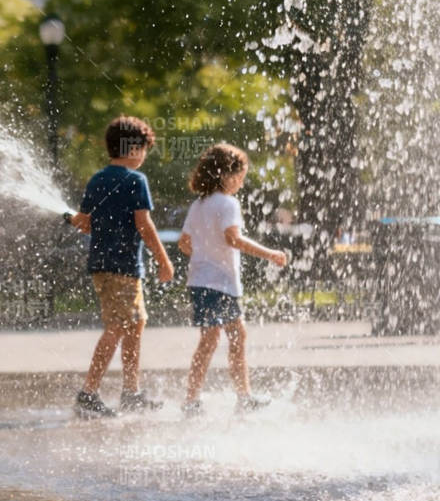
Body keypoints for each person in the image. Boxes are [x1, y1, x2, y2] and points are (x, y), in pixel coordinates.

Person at [68, 116, 175, 418]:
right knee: (117, 327)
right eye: (143, 149)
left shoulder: (97, 179)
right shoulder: (135, 180)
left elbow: (84, 224)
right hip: (123, 267)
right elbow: (145, 224)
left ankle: (131, 392)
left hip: (102, 266)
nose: (144, 156)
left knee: (134, 324)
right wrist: (163, 260)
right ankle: (89, 393)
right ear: (132, 149)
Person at [175, 143, 287, 417]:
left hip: (200, 281)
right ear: (227, 175)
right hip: (219, 283)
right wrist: (269, 253)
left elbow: (184, 243)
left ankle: (193, 399)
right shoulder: (228, 203)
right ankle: (240, 397)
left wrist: (203, 255)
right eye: (241, 176)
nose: (241, 182)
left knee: (210, 340)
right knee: (233, 337)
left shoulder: (198, 204)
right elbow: (233, 239)